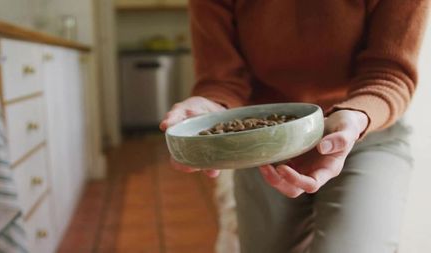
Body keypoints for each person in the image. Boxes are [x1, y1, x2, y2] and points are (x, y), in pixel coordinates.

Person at [160, 1, 430, 253]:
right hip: (263, 144)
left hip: (364, 129)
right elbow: (222, 76)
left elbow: (389, 71)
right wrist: (211, 105)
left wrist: (356, 117)